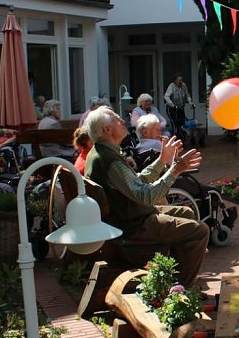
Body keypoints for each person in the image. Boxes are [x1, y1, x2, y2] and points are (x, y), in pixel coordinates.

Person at [84, 107, 208, 288]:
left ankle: (173, 278)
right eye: (118, 119)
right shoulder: (108, 159)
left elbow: (136, 183)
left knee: (186, 212)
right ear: (107, 130)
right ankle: (182, 290)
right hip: (133, 225)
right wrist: (175, 170)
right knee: (200, 231)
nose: (123, 121)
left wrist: (162, 161)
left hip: (128, 216)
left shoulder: (103, 153)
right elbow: (146, 196)